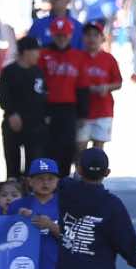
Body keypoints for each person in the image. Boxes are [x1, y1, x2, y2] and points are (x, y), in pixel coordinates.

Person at [0, 34, 49, 180]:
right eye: (36, 51)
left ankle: (30, 189)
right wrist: (11, 113)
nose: (38, 54)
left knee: (33, 166)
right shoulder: (10, 71)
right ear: (26, 52)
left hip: (36, 125)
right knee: (13, 164)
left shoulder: (38, 71)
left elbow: (43, 95)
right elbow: (3, 95)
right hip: (14, 123)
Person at [39, 17, 83, 175]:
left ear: (70, 35)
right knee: (48, 145)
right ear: (52, 35)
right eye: (58, 35)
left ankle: (64, 177)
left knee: (68, 146)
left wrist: (82, 113)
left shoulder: (78, 56)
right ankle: (48, 177)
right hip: (48, 107)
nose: (61, 39)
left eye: (64, 35)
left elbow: (82, 86)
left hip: (69, 108)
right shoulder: (43, 55)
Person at [75, 21, 122, 152]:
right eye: (88, 35)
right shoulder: (77, 57)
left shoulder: (109, 59)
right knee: (80, 149)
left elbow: (118, 82)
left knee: (98, 151)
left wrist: (107, 87)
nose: (92, 38)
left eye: (96, 35)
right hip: (82, 111)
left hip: (103, 110)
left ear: (102, 38)